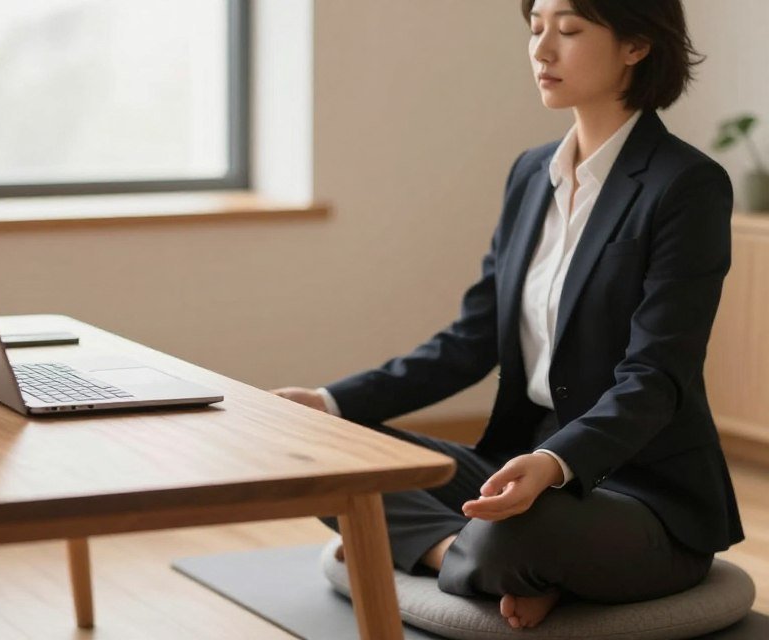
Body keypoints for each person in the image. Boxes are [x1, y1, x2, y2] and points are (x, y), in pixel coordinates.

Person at [272, 0, 744, 630]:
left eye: (570, 30)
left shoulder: (685, 185)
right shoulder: (531, 173)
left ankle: (468, 553)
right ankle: (468, 556)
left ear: (636, 45)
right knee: (333, 460)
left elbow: (656, 377)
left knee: (520, 529)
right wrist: (328, 404)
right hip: (519, 461)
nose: (542, 49)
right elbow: (470, 341)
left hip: (641, 489)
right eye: (535, 28)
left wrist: (554, 464)